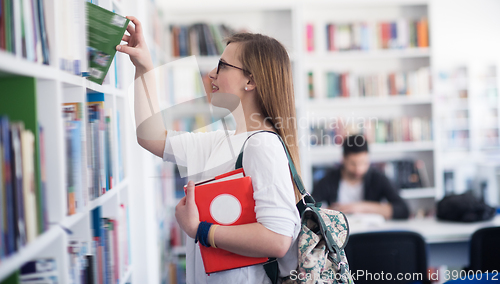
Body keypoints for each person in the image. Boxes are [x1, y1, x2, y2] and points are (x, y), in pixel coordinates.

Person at [116, 16, 301, 284]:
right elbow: (150, 136)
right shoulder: (221, 141)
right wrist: (144, 67)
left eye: (223, 66)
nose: (211, 74)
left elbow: (278, 238)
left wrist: (199, 230)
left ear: (250, 81)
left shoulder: (262, 145)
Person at [311, 134, 409, 220]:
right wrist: (330, 212)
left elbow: (403, 210)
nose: (358, 169)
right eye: (353, 164)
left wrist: (360, 207)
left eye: (363, 163)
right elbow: (310, 209)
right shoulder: (329, 180)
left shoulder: (378, 178)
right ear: (343, 159)